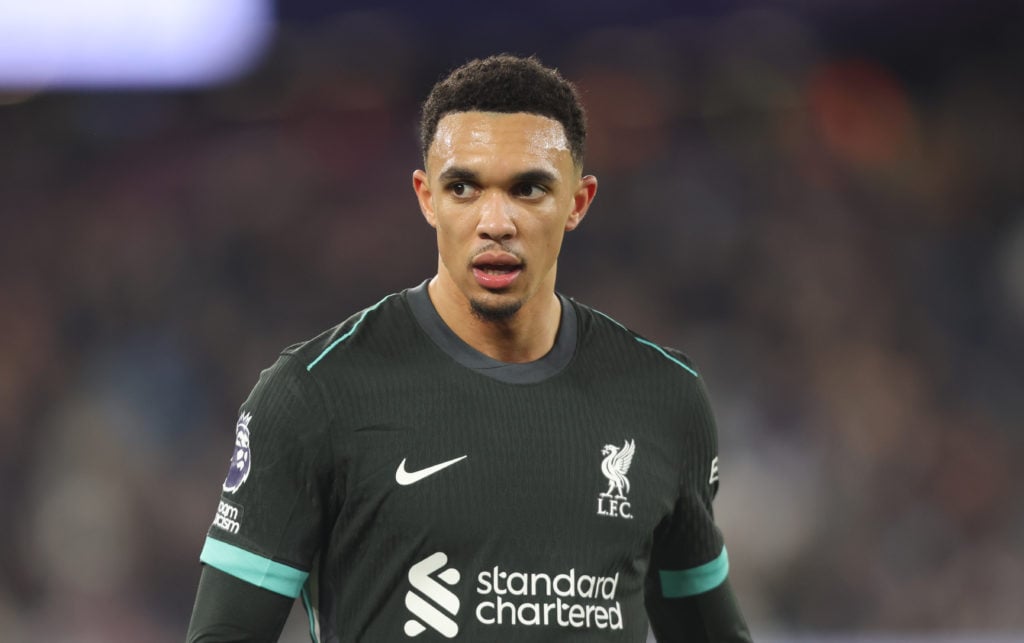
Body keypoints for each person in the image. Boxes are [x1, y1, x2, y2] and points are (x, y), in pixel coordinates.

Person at [186, 54, 753, 642]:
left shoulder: (664, 397)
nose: (496, 222)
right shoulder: (315, 395)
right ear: (427, 197)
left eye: (529, 188)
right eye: (464, 187)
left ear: (578, 203)